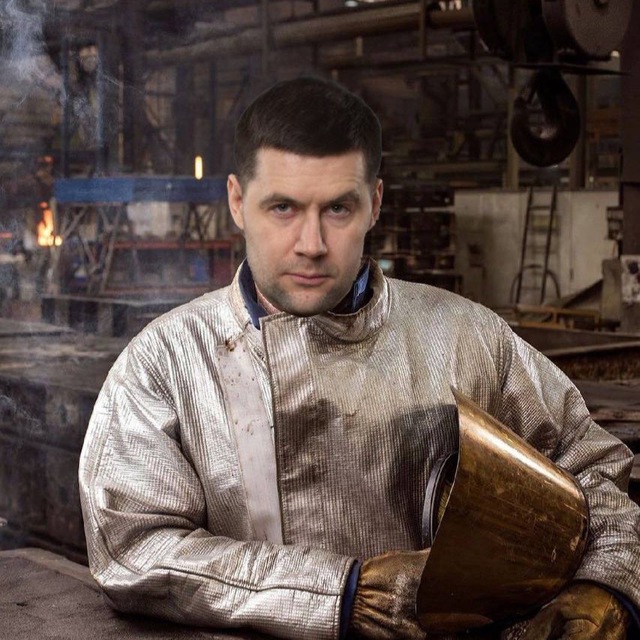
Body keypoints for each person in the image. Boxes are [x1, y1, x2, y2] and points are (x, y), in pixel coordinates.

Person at [79, 77, 640, 640]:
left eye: (338, 208)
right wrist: (339, 594)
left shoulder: (467, 337)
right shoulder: (166, 362)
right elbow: (131, 547)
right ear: (236, 202)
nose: (312, 243)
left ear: (375, 203)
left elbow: (594, 469)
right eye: (282, 207)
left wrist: (607, 588)